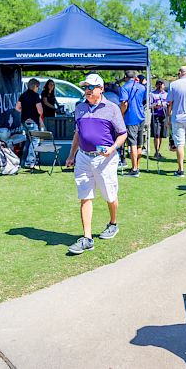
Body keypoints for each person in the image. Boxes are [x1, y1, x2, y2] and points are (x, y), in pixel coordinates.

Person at [65, 73, 127, 255]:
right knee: (85, 196)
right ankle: (87, 238)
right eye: (85, 88)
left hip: (105, 158)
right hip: (83, 157)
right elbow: (78, 133)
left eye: (91, 88)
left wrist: (113, 148)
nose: (87, 91)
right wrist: (71, 155)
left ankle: (113, 223)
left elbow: (122, 133)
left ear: (101, 89)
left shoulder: (112, 108)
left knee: (109, 195)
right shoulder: (80, 108)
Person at [120, 70, 147, 177]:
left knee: (132, 144)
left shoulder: (124, 87)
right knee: (139, 143)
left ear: (125, 77)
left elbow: (124, 103)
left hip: (131, 118)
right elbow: (144, 100)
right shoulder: (141, 87)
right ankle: (137, 166)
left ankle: (134, 169)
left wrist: (121, 114)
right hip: (141, 117)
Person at [15, 78, 45, 168]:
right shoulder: (36, 96)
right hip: (33, 121)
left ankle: (23, 162)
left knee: (28, 141)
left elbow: (17, 107)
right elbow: (40, 111)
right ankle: (30, 162)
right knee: (35, 140)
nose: (38, 89)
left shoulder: (23, 95)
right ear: (35, 86)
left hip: (24, 121)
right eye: (38, 87)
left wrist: (24, 111)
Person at [149, 79, 168, 159]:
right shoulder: (152, 94)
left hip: (163, 116)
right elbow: (149, 105)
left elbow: (169, 104)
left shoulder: (167, 94)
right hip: (155, 115)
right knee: (156, 134)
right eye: (158, 84)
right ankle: (156, 152)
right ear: (156, 85)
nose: (160, 86)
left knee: (161, 135)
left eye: (162, 84)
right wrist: (155, 105)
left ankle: (158, 151)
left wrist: (165, 105)